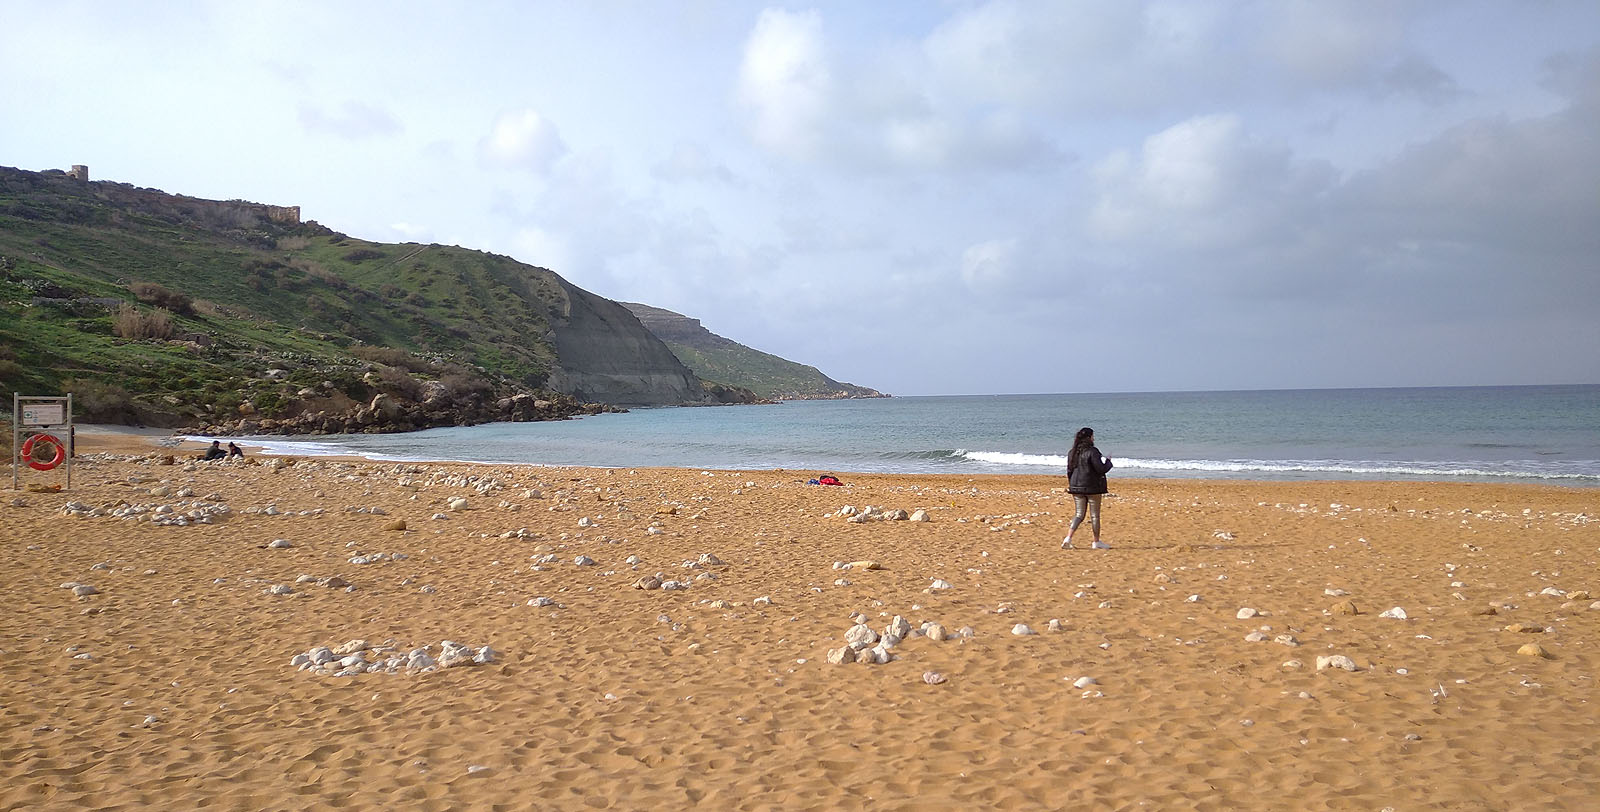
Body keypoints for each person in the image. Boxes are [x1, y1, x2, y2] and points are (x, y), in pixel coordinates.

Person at [1062, 427, 1113, 549]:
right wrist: (1108, 462)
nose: (1093, 438)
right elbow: (1100, 469)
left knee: (1079, 514)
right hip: (1092, 487)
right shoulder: (1092, 451)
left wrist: (1071, 484)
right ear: (1089, 437)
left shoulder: (1072, 452)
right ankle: (1096, 542)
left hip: (1076, 487)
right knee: (1095, 515)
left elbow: (1069, 471)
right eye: (1092, 436)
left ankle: (1068, 538)